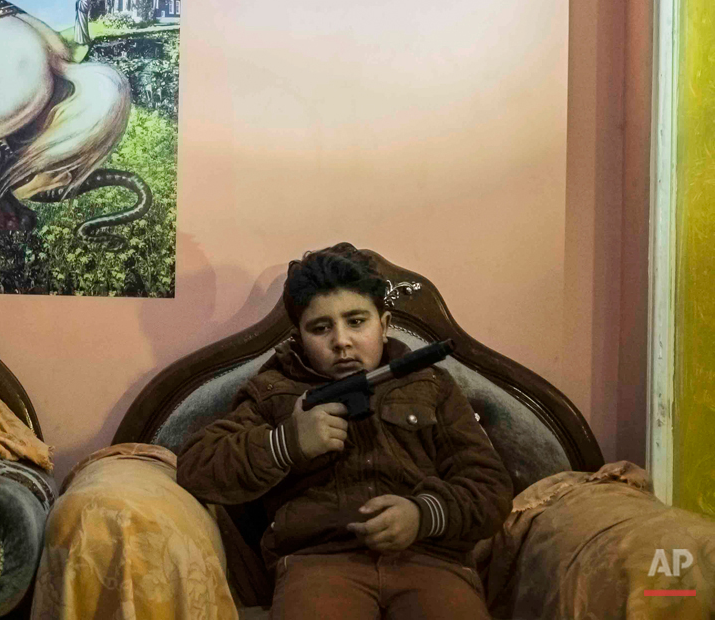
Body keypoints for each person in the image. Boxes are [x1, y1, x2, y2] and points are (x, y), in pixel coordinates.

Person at [176, 244, 512, 619]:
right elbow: (197, 466)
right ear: (299, 336)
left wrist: (423, 514)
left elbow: (489, 485)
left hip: (432, 559)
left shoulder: (432, 384)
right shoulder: (272, 390)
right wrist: (287, 443)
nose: (341, 341)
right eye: (321, 328)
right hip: (315, 565)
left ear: (383, 326)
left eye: (356, 321)